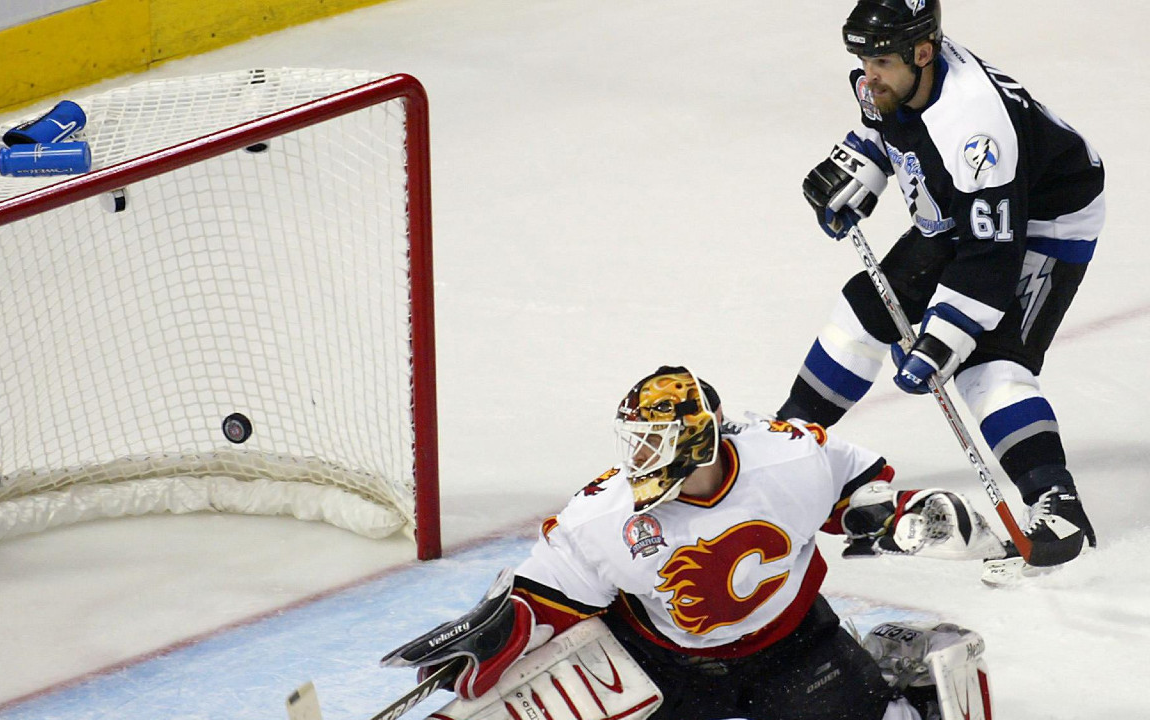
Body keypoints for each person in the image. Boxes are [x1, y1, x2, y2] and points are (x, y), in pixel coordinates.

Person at [383, 366, 996, 720]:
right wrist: (501, 628)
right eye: (637, 441)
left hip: (796, 647)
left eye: (654, 441)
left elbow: (857, 476)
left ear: (696, 441)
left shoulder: (785, 457)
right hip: (666, 667)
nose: (638, 457)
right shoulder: (608, 512)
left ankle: (898, 673)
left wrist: (877, 513)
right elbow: (551, 587)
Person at [783, 0, 1103, 568]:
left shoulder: (975, 125)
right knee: (865, 311)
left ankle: (1056, 499)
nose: (867, 72)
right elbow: (886, 130)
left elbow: (991, 257)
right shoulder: (890, 78)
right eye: (862, 57)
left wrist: (944, 338)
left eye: (880, 58)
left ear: (922, 52)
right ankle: (788, 445)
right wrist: (858, 171)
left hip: (1045, 215)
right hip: (971, 206)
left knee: (989, 364)